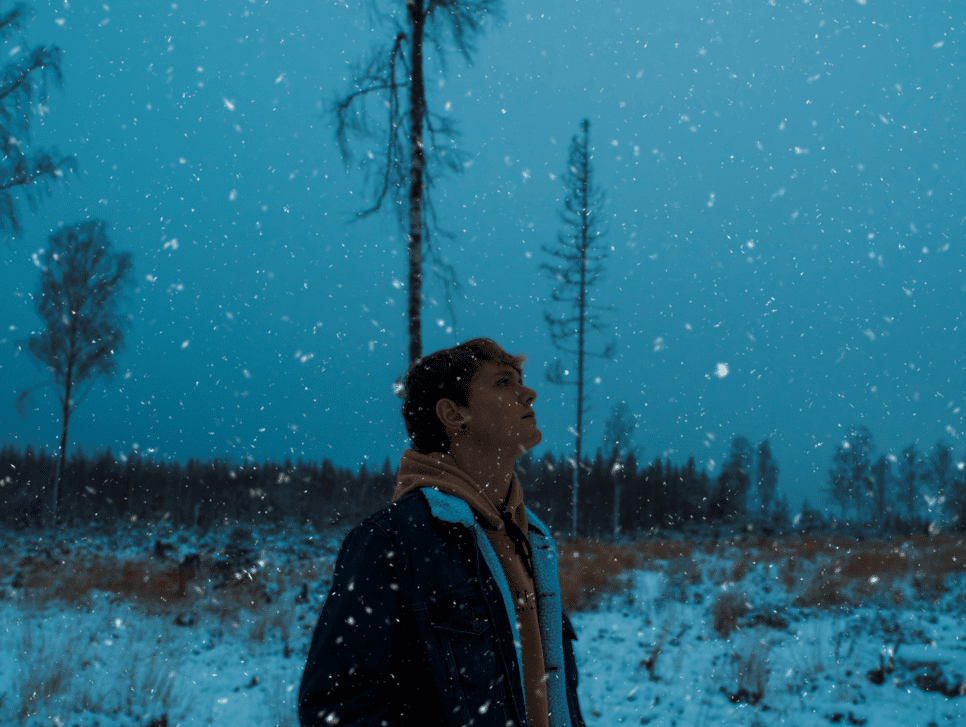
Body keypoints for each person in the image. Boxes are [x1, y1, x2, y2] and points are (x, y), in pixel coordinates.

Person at [298, 338, 585, 727]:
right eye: (503, 383)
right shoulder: (391, 542)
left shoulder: (530, 539)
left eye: (520, 381)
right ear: (454, 414)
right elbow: (336, 707)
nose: (528, 393)